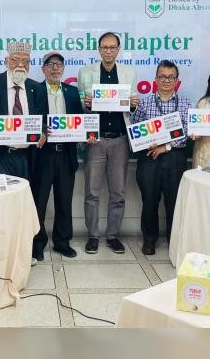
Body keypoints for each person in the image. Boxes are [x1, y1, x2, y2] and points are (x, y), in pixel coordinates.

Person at [76, 32, 139, 254]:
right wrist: (86, 103)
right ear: (99, 49)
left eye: (113, 47)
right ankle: (93, 236)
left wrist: (133, 104)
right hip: (96, 139)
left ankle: (113, 236)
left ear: (118, 49)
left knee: (118, 192)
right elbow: (80, 105)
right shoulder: (85, 72)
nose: (109, 51)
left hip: (120, 139)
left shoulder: (129, 73)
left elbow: (133, 107)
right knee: (91, 192)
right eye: (105, 47)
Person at [131, 60, 190, 255]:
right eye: (162, 76)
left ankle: (174, 240)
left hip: (175, 157)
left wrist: (166, 146)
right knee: (149, 201)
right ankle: (149, 240)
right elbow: (135, 128)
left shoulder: (185, 103)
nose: (166, 80)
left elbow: (187, 131)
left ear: (177, 81)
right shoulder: (144, 102)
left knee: (173, 201)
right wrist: (144, 141)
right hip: (149, 157)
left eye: (170, 77)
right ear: (155, 79)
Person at [31, 52, 85, 260]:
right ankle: (37, 244)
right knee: (39, 202)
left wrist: (88, 134)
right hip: (43, 155)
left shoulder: (72, 92)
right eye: (51, 64)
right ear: (43, 68)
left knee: (64, 201)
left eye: (59, 65)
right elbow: (31, 119)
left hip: (66, 154)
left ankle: (62, 242)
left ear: (63, 69)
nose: (55, 68)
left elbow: (79, 120)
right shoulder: (34, 90)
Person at [0, 41, 47, 179]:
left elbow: (42, 119)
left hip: (26, 157)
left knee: (23, 192)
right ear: (6, 62)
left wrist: (43, 133)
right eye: (15, 60)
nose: (20, 65)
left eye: (26, 61)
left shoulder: (37, 89)